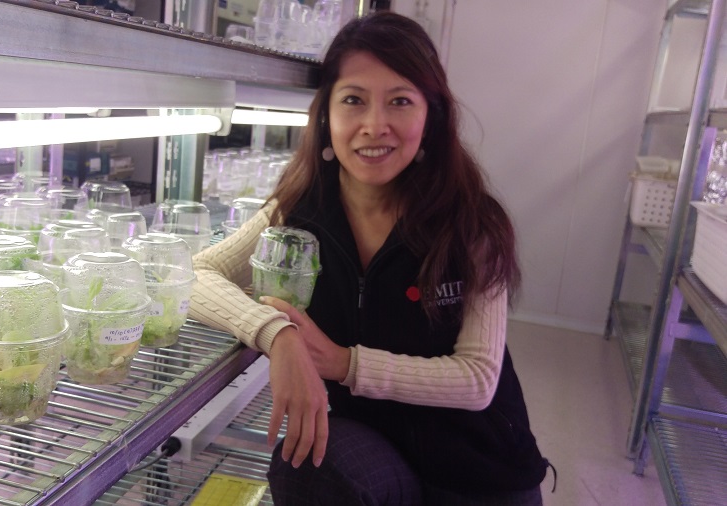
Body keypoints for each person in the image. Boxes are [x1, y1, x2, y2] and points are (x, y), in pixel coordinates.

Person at [189, 11, 550, 505]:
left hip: (476, 466)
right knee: (307, 461)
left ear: (432, 117)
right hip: (375, 447)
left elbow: (478, 379)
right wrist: (279, 335)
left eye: (400, 101)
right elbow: (195, 275)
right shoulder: (298, 212)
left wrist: (341, 363)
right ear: (326, 116)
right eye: (353, 100)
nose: (374, 126)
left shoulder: (471, 223)